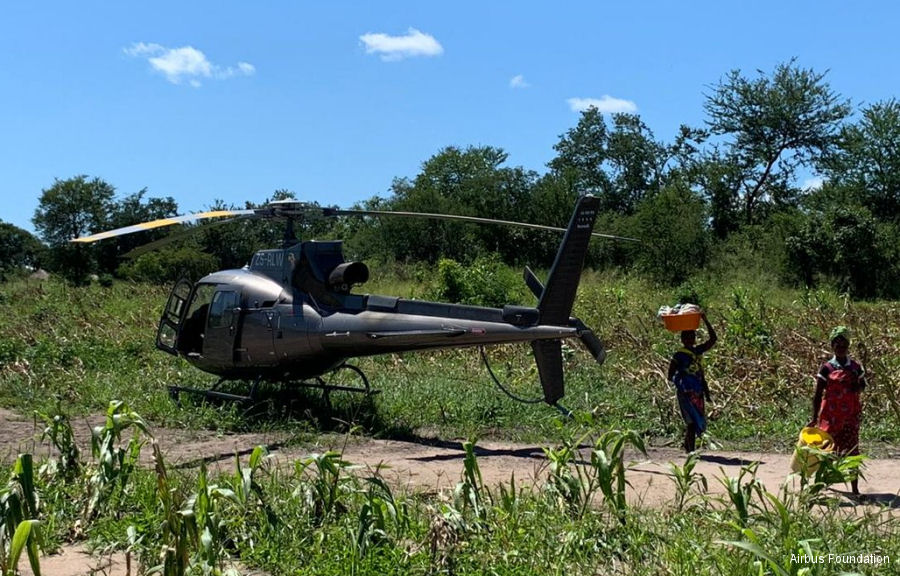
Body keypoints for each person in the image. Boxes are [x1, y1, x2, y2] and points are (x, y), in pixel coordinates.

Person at [809, 325, 867, 494]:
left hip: (850, 417)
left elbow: (862, 387)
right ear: (832, 346)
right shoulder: (827, 368)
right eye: (837, 344)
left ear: (848, 346)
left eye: (844, 345)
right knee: (827, 452)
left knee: (852, 452)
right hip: (829, 418)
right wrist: (814, 417)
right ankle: (820, 484)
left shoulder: (856, 367)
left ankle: (855, 490)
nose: (841, 348)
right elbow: (818, 394)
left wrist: (857, 383)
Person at [668, 311, 718, 453]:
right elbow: (670, 374)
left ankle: (687, 448)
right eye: (687, 336)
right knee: (690, 422)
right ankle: (689, 451)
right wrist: (683, 382)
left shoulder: (697, 351)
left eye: (692, 336)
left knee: (695, 422)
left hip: (697, 391)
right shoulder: (679, 355)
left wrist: (705, 320)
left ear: (695, 338)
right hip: (686, 392)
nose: (690, 339)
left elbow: (713, 339)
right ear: (683, 339)